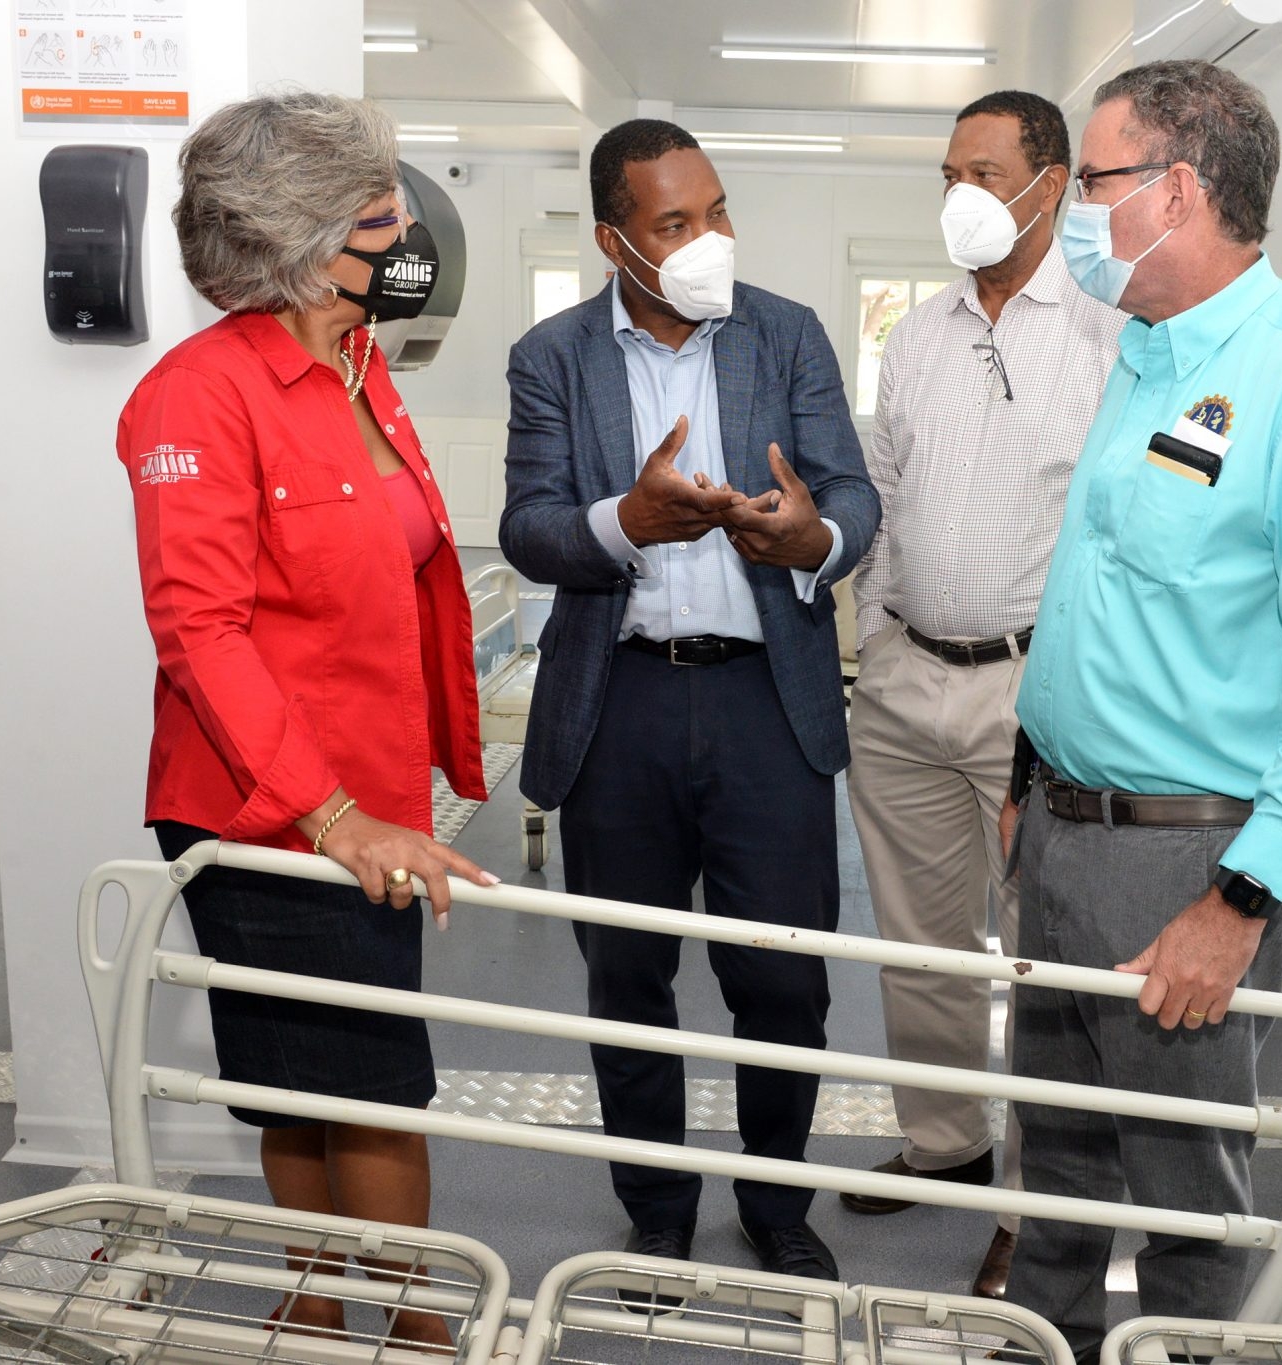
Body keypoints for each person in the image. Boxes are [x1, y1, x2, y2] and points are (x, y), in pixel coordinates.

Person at [999, 60, 1282, 1357]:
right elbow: (1098, 597)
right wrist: (1027, 782)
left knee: (1188, 1205)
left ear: (1177, 192)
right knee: (1053, 1169)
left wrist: (1237, 908)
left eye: (1097, 180)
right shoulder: (1142, 356)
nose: (1072, 211)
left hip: (1188, 861)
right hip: (1064, 830)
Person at [117, 92, 498, 1346]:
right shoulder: (198, 397)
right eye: (376, 209)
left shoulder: (356, 365)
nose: (400, 226)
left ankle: (335, 1294)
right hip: (273, 809)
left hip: (368, 798)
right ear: (299, 237)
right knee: (361, 1093)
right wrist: (331, 818)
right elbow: (200, 633)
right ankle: (397, 1319)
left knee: (325, 1079)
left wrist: (397, 792)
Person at [500, 119, 879, 1283]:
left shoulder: (789, 333)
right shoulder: (551, 355)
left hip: (767, 698)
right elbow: (530, 525)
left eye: (717, 211)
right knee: (628, 976)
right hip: (618, 705)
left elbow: (852, 496)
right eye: (676, 224)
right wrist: (629, 521)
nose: (708, 238)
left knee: (781, 974)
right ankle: (655, 1204)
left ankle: (775, 1204)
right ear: (616, 241)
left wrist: (811, 536)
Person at [840, 90, 1123, 1301]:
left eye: (985, 170)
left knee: (1043, 969)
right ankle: (947, 1141)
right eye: (947, 171)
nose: (959, 192)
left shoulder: (1112, 334)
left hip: (1033, 696)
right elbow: (882, 504)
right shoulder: (916, 334)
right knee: (920, 942)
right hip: (903, 678)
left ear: (1050, 182)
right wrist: (874, 640)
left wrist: (1064, 702)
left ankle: (1035, 1206)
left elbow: (1114, 540)